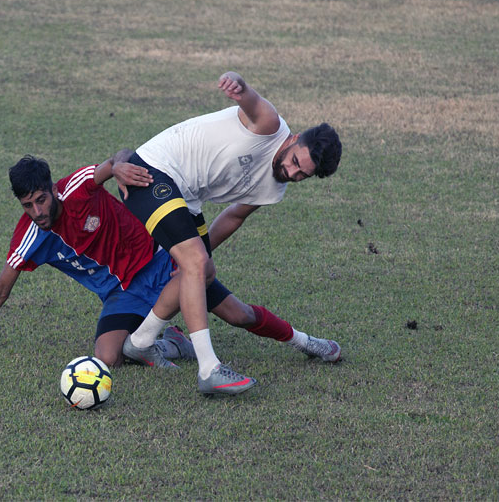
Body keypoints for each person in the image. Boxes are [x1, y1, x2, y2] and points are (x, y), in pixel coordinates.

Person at [0, 155, 341, 393]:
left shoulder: (75, 189)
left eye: (41, 200)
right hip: (122, 296)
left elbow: (109, 165)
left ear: (52, 190)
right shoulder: (30, 236)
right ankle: (166, 340)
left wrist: (121, 169)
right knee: (107, 358)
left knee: (240, 316)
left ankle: (307, 342)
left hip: (163, 263)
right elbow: (2, 287)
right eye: (28, 205)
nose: (38, 211)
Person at [112, 71, 342, 395]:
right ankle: (209, 370)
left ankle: (140, 341)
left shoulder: (274, 189)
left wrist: (200, 265)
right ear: (295, 138)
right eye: (293, 161)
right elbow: (251, 99)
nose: (289, 172)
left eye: (301, 175)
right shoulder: (269, 124)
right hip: (153, 171)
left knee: (202, 273)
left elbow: (234, 215)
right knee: (194, 262)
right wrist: (238, 84)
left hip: (186, 198)